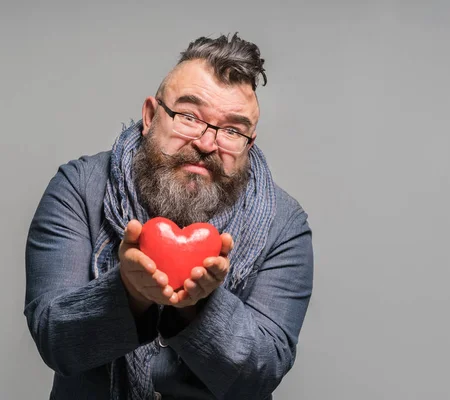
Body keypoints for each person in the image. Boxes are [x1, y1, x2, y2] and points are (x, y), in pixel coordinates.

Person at [24, 33, 313, 400]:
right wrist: (128, 293)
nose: (207, 143)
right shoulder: (79, 189)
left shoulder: (285, 224)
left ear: (249, 143)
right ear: (149, 116)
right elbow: (54, 342)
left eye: (231, 130)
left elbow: (262, 373)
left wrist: (201, 306)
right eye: (189, 116)